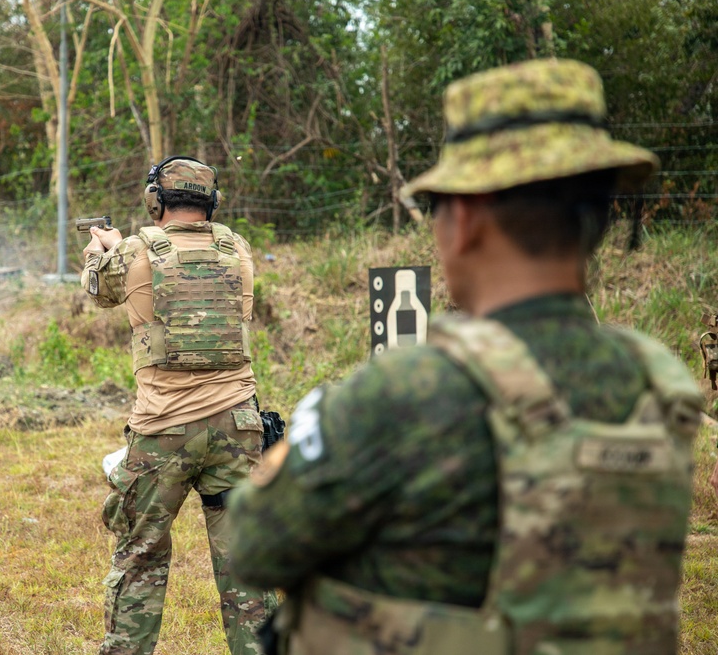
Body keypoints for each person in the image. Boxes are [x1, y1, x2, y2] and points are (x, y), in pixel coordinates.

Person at [227, 59, 703, 655]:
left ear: (467, 220)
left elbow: (252, 545)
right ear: (602, 218)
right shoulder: (657, 381)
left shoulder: (408, 391)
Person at [81, 156, 277, 655]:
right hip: (238, 424)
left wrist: (98, 251)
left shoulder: (134, 251)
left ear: (155, 201)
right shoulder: (239, 249)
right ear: (211, 203)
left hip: (163, 429)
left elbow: (99, 290)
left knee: (141, 558)